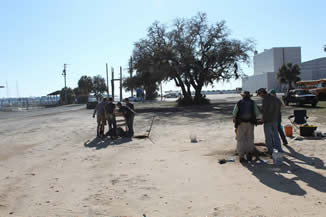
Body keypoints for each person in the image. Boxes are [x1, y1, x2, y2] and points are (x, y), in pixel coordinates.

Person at [233, 91, 261, 162]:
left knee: (240, 139)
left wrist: (234, 119)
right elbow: (257, 113)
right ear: (249, 96)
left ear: (242, 96)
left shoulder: (239, 102)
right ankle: (249, 154)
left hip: (241, 123)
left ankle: (241, 156)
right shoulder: (252, 103)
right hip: (250, 123)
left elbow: (234, 112)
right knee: (250, 138)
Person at [257, 88, 283, 155]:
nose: (259, 96)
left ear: (262, 93)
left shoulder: (265, 99)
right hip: (275, 119)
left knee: (268, 136)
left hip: (268, 120)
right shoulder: (274, 98)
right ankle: (279, 149)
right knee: (276, 135)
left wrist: (258, 108)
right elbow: (280, 104)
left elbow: (264, 111)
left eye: (259, 94)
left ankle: (270, 150)